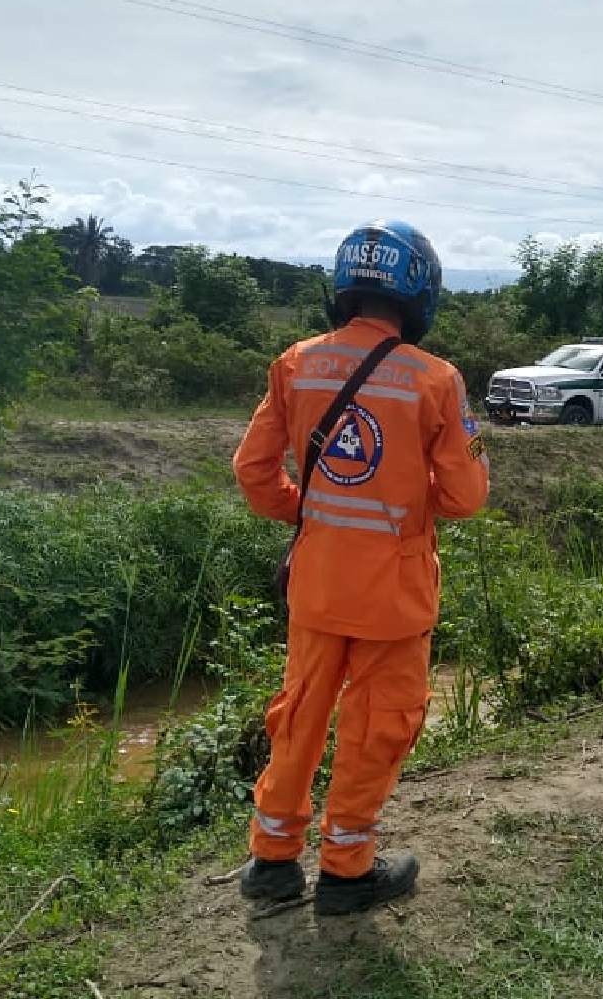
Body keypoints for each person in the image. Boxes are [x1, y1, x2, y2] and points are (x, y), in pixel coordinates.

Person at [231, 220, 490, 916]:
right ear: (418, 292)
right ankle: (347, 868)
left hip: (316, 588)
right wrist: (406, 501)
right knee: (379, 724)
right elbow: (466, 498)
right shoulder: (435, 379)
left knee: (299, 718)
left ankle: (272, 859)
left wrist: (307, 511)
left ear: (343, 287)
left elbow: (253, 472)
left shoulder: (295, 362)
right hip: (395, 600)